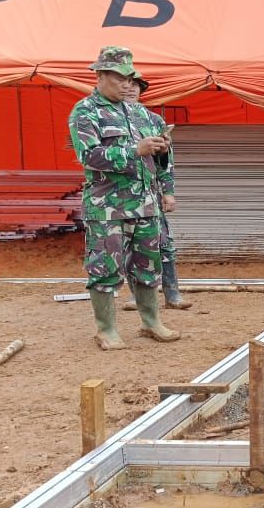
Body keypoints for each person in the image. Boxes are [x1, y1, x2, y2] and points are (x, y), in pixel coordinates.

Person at [68, 46, 179, 350]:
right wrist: (134, 150)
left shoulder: (143, 114)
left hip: (146, 205)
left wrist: (161, 150)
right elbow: (88, 156)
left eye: (130, 78)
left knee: (148, 265)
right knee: (104, 268)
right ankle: (106, 329)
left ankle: (151, 322)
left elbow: (161, 163)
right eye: (119, 78)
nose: (126, 84)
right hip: (108, 208)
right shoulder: (85, 112)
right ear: (101, 75)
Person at [120, 75, 192, 311]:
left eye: (135, 85)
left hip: (149, 194)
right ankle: (135, 294)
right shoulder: (109, 119)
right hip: (119, 196)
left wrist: (168, 192)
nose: (130, 89)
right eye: (126, 84)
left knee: (163, 243)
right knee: (129, 246)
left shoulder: (153, 119)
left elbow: (164, 161)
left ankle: (172, 294)